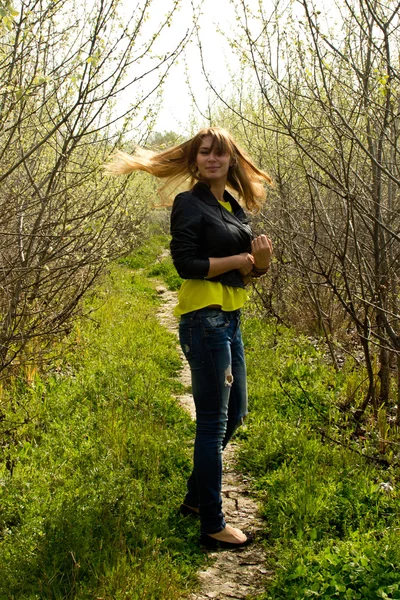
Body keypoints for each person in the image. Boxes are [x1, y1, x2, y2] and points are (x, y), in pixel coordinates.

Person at [105, 127, 273, 548]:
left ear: (231, 159)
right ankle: (212, 525)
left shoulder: (232, 206)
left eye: (220, 154)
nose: (212, 160)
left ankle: (197, 501)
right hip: (204, 322)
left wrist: (262, 265)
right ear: (195, 160)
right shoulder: (189, 203)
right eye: (204, 153)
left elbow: (245, 275)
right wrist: (242, 257)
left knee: (235, 416)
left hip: (230, 320)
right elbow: (186, 264)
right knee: (213, 424)